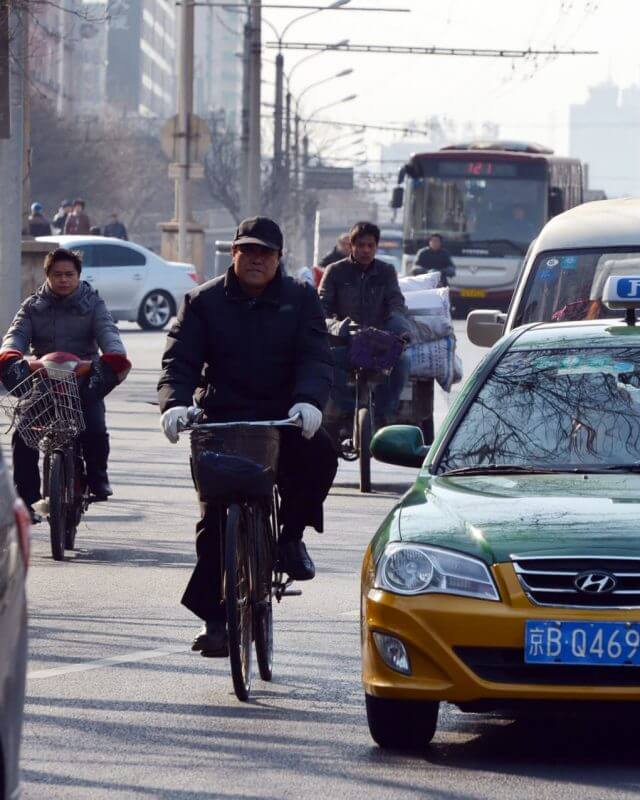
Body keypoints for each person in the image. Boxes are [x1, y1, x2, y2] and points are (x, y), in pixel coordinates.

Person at [158, 216, 337, 656]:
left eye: (266, 253)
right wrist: (175, 404)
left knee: (322, 456)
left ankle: (290, 537)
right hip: (224, 418)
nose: (257, 260)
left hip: (285, 415)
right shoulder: (203, 301)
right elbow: (178, 359)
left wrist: (310, 401)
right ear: (233, 253)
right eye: (248, 251)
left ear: (278, 259)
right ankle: (217, 621)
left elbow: (316, 356)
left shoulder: (300, 299)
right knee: (215, 521)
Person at [0, 248, 131, 510]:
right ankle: (26, 498)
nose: (63, 280)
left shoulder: (94, 304)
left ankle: (97, 479)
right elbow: (15, 335)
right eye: (57, 274)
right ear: (47, 275)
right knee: (24, 433)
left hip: (85, 380)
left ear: (78, 275)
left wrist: (114, 356)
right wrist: (11, 354)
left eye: (69, 274)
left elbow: (108, 332)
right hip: (45, 381)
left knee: (94, 429)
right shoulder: (32, 307)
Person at [318, 221, 410, 427]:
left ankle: (384, 415)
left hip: (378, 342)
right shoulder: (334, 271)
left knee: (403, 362)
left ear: (376, 247)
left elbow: (397, 302)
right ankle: (347, 411)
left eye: (370, 245)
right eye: (360, 245)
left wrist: (398, 330)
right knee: (324, 362)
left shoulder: (386, 271)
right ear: (351, 246)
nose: (365, 250)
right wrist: (338, 327)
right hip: (345, 341)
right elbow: (320, 309)